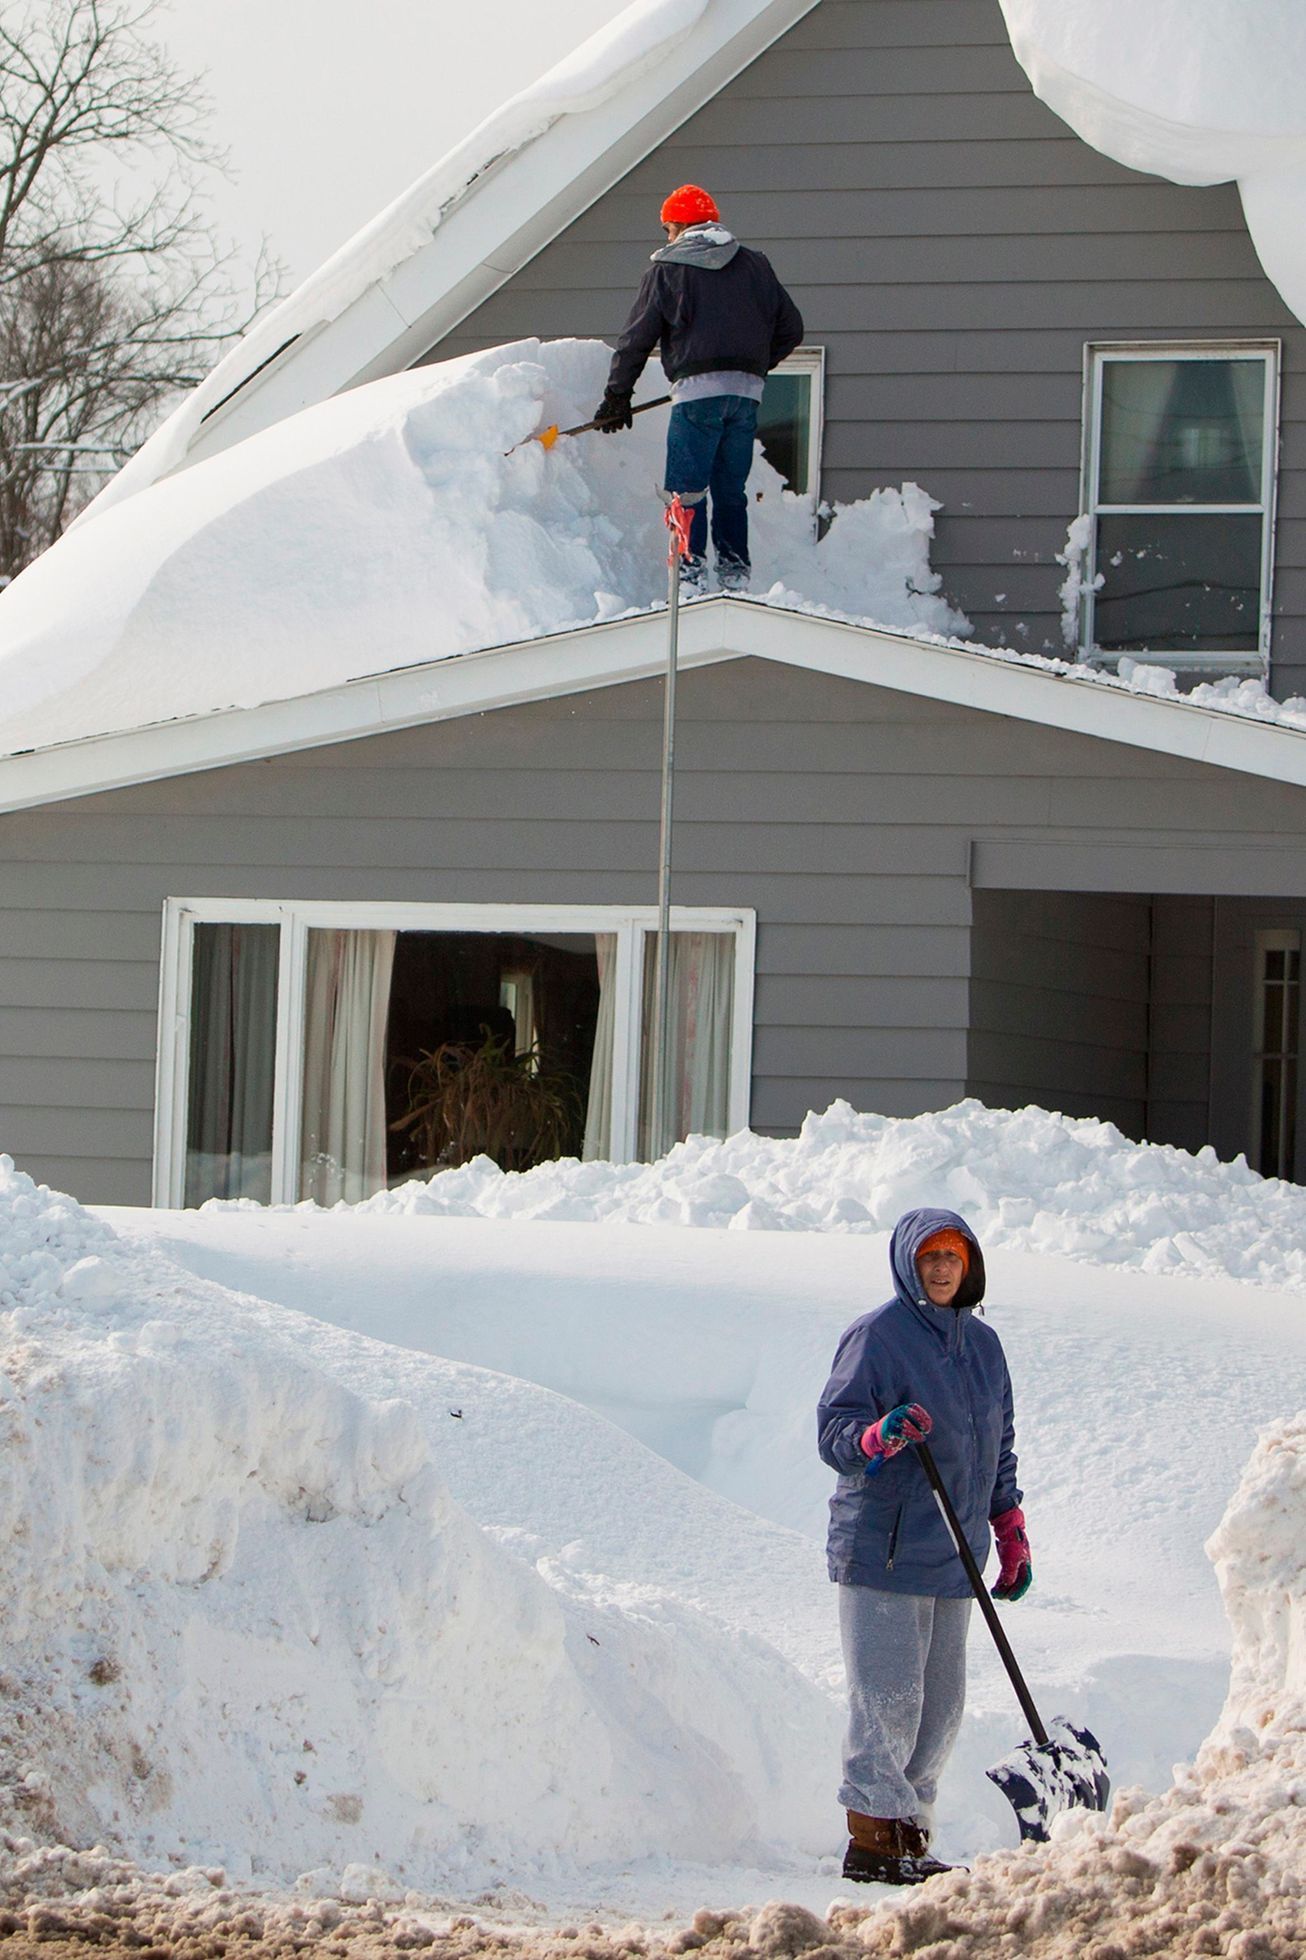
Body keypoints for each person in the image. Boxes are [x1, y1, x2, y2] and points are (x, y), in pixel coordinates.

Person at [816, 1207, 1031, 1886]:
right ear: (909, 1263)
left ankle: (912, 1834)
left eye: (952, 1257)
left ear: (969, 1266)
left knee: (939, 1706)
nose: (940, 1268)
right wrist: (879, 1436)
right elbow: (835, 1433)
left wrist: (1009, 1525)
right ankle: (874, 1843)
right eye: (929, 1257)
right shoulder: (877, 1336)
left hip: (956, 1553)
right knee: (888, 1700)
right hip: (885, 1548)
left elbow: (998, 1445)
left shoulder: (985, 1346)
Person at [591, 184, 803, 592]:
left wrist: (617, 396)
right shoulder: (756, 266)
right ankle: (734, 574)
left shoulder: (667, 270)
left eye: (667, 229)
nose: (666, 238)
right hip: (745, 396)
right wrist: (752, 368)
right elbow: (791, 329)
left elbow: (637, 339)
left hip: (696, 396)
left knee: (687, 490)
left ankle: (689, 577)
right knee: (730, 489)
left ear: (679, 226)